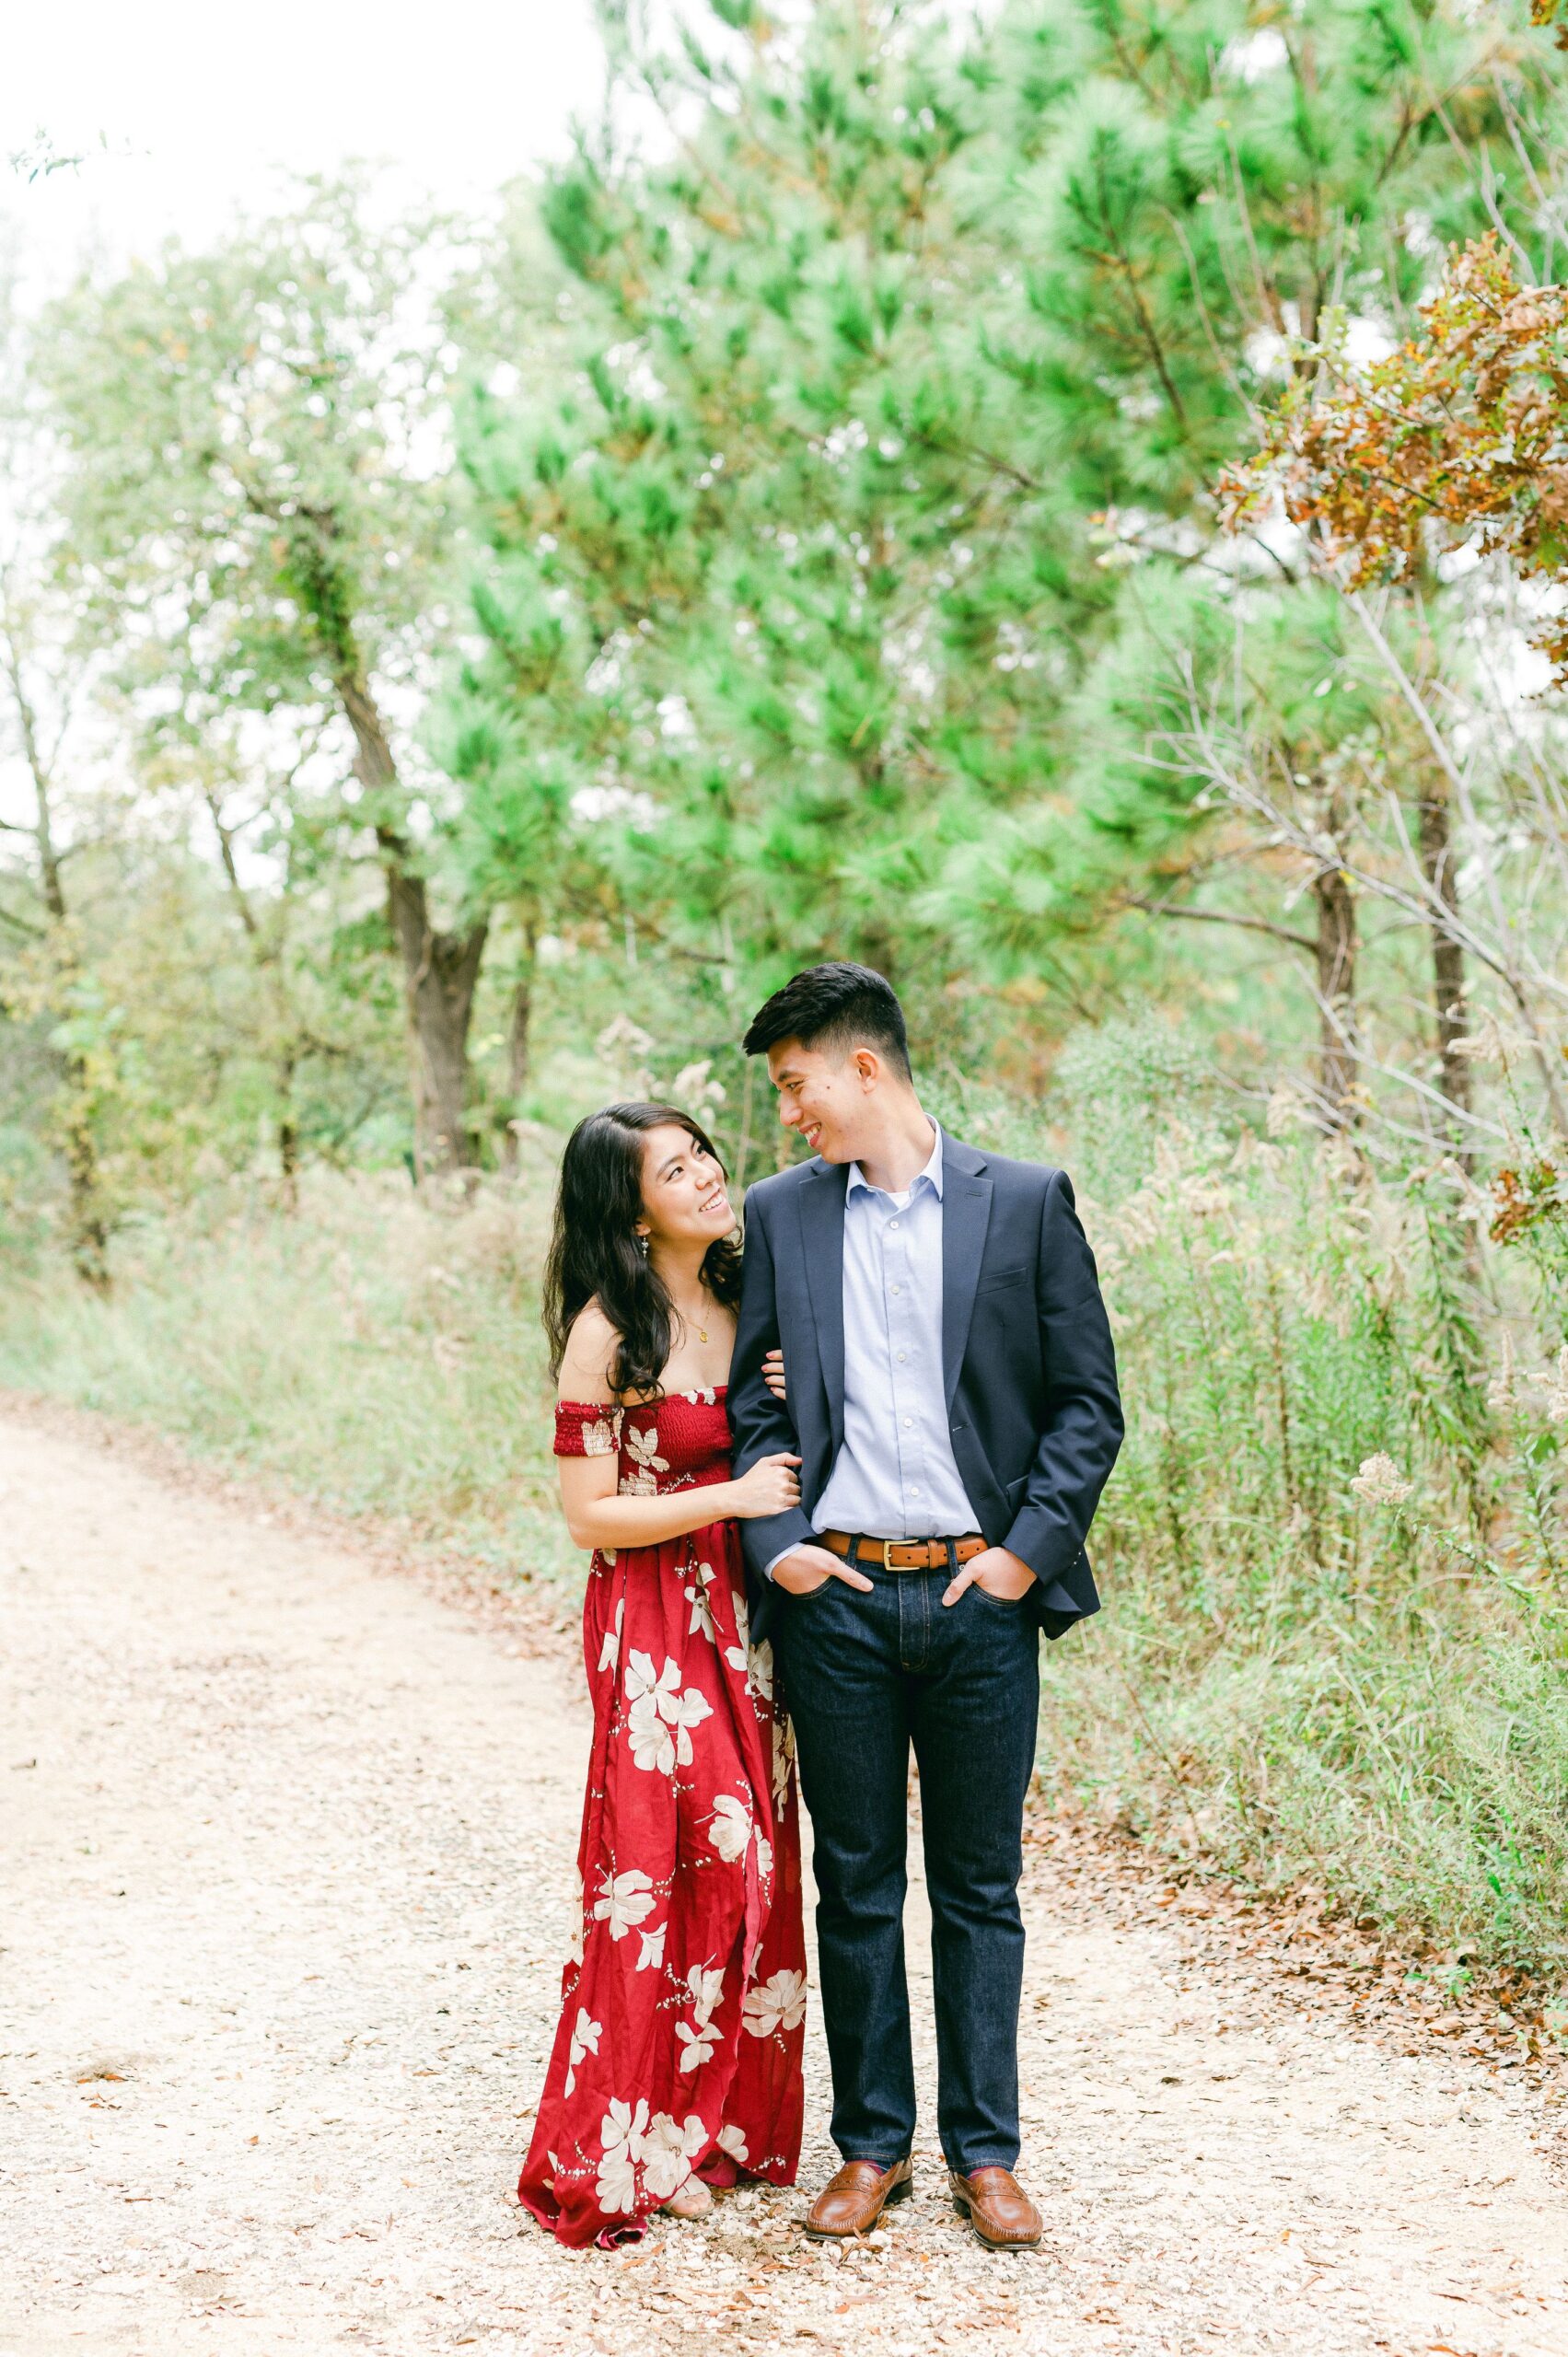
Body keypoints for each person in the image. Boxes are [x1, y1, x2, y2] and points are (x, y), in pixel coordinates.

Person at [729, 964, 1123, 2252]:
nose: (787, 1114)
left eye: (792, 1086)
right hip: (833, 1599)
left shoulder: (1022, 1202)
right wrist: (779, 1546)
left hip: (975, 1596)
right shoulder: (782, 1215)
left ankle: (986, 2156)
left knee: (976, 1886)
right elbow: (753, 1405)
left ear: (862, 1068)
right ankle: (867, 2149)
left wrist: (1019, 1557)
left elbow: (1083, 1404)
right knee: (852, 1886)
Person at [518, 1103, 807, 2249]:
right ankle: (639, 2137)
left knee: (751, 1867)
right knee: (685, 1858)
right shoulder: (606, 1328)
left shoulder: (746, 1299)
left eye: (702, 1157)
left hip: (743, 1616)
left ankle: (713, 2123)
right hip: (649, 1619)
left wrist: (786, 1378)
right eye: (671, 1170)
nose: (703, 1178)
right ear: (628, 1207)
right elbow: (589, 1516)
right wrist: (728, 1500)